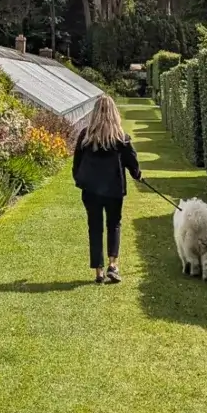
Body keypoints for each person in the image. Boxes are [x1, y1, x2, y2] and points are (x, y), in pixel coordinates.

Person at [72, 94, 141, 284]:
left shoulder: (85, 136)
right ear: (114, 113)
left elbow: (77, 163)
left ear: (95, 113)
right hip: (114, 190)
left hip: (91, 191)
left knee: (94, 228)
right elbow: (132, 162)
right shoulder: (121, 138)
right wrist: (137, 174)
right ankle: (113, 264)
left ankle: (99, 272)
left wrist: (79, 180)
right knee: (114, 225)